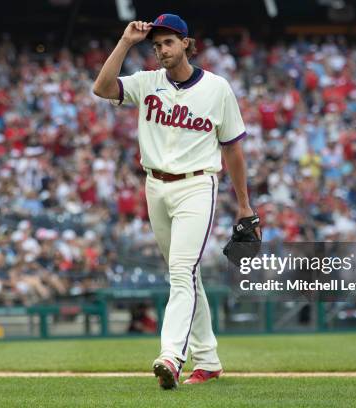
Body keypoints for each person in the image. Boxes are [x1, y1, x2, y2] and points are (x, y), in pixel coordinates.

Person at [93, 14, 258, 389]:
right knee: (188, 275)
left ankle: (170, 355)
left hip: (197, 185)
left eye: (168, 42)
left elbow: (233, 150)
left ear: (187, 43)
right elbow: (102, 88)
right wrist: (125, 43)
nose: (161, 49)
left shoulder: (217, 88)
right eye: (156, 45)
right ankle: (210, 360)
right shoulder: (147, 82)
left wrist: (244, 204)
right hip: (156, 187)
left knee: (181, 273)